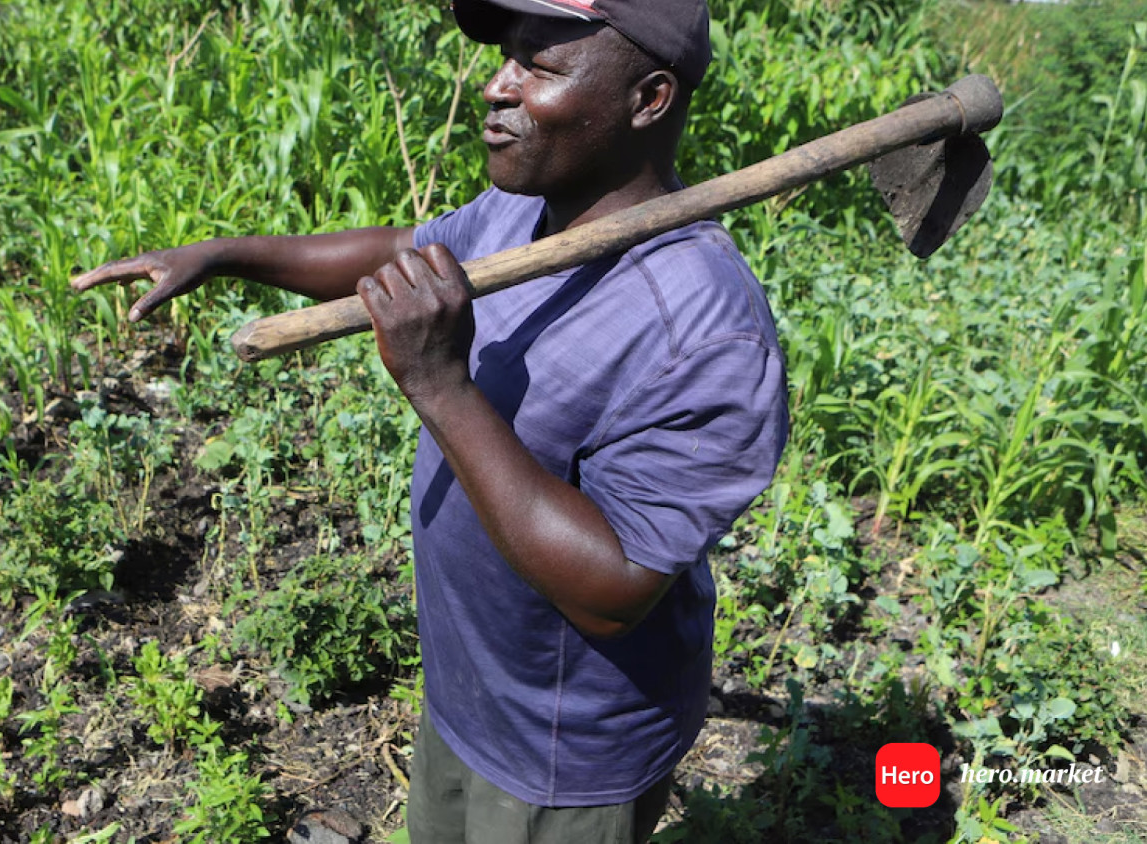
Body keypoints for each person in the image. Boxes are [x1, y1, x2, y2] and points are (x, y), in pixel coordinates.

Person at [72, 0, 788, 840]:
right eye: (506, 56)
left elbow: (613, 591)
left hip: (562, 751)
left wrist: (441, 386)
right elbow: (399, 256)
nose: (496, 85)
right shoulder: (529, 209)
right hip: (471, 688)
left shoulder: (700, 331)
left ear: (649, 98)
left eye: (540, 66)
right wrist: (228, 254)